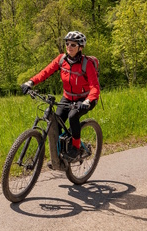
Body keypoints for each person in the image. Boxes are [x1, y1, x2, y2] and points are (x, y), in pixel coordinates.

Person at [21, 31, 100, 160]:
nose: (69, 46)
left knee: (73, 116)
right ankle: (59, 157)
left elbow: (95, 87)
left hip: (85, 99)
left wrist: (87, 101)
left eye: (73, 45)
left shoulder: (87, 64)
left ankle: (76, 148)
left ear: (80, 47)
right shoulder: (61, 59)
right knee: (56, 124)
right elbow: (46, 72)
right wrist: (31, 82)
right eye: (67, 43)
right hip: (68, 97)